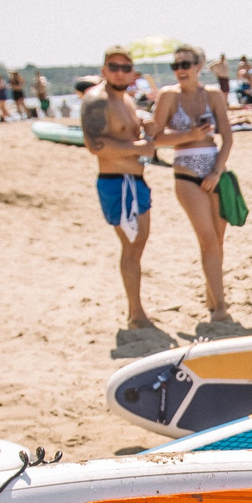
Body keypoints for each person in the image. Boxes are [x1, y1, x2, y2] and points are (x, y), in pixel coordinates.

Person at [81, 47, 176, 328]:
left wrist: (144, 123)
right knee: (131, 247)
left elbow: (130, 132)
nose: (119, 72)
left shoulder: (126, 100)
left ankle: (137, 310)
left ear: (132, 73)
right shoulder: (97, 100)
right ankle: (135, 314)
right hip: (117, 182)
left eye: (125, 68)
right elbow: (94, 145)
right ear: (103, 69)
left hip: (135, 182)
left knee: (139, 244)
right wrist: (139, 147)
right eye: (114, 67)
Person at [145, 44, 235, 326]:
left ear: (199, 66)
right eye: (176, 65)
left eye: (186, 64)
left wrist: (217, 172)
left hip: (214, 170)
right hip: (186, 173)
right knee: (207, 239)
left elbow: (228, 138)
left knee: (218, 241)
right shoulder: (169, 96)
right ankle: (220, 307)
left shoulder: (213, 95)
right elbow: (155, 140)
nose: (180, 70)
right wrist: (189, 134)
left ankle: (212, 296)